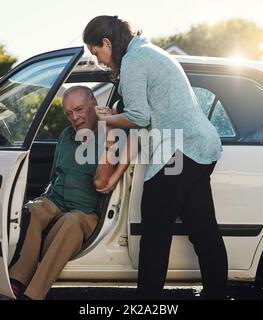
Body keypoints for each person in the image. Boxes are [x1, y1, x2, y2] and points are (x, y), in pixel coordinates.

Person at [83, 15, 228, 299]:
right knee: (203, 229)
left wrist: (107, 121)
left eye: (96, 52)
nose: (98, 60)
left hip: (178, 150)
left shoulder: (134, 61)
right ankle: (216, 294)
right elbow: (149, 111)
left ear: (107, 42)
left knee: (154, 235)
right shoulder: (146, 51)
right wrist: (115, 115)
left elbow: (139, 117)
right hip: (200, 146)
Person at [7, 86, 129, 300]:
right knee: (32, 210)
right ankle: (17, 280)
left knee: (71, 221)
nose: (75, 117)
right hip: (56, 203)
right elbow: (55, 175)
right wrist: (44, 201)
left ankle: (33, 294)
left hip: (86, 213)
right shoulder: (66, 135)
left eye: (79, 109)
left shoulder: (110, 135)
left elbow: (102, 181)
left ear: (94, 103)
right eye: (69, 113)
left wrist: (108, 131)